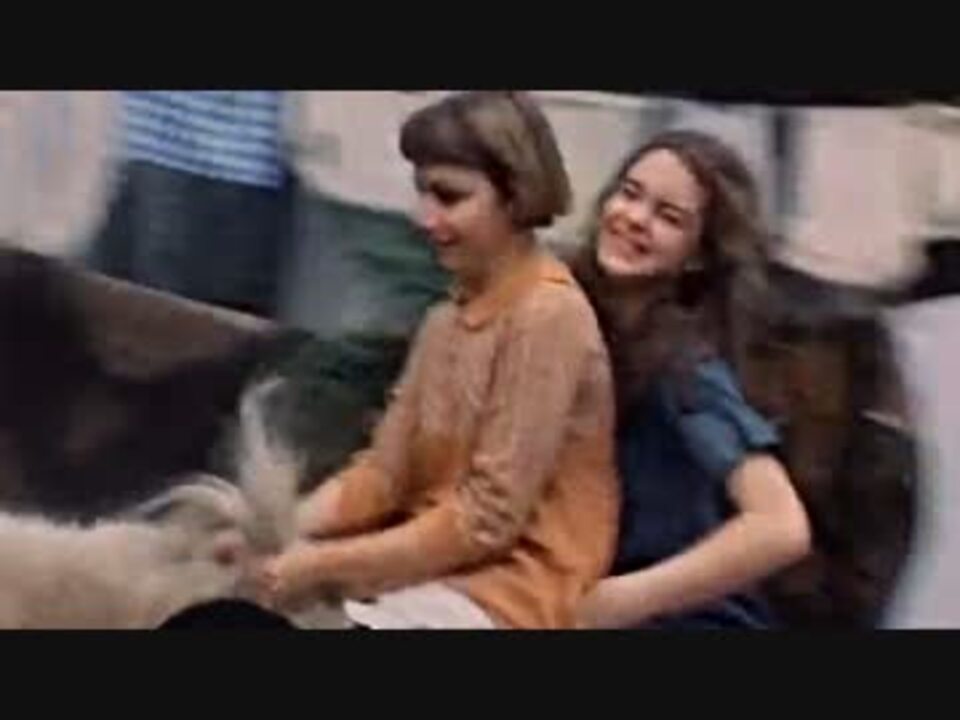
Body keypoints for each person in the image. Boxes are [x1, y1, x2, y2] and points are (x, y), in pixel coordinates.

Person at [254, 92, 620, 630]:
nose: (425, 218)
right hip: (427, 576)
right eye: (422, 193)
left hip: (513, 593)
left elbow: (486, 520)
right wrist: (276, 531)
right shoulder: (444, 320)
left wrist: (320, 564)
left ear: (516, 195)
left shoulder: (547, 315)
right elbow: (382, 475)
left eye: (450, 197)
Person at [570, 130, 811, 629]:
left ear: (698, 254)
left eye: (669, 217)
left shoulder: (686, 372)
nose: (635, 218)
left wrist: (615, 601)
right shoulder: (567, 317)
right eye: (630, 193)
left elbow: (780, 526)